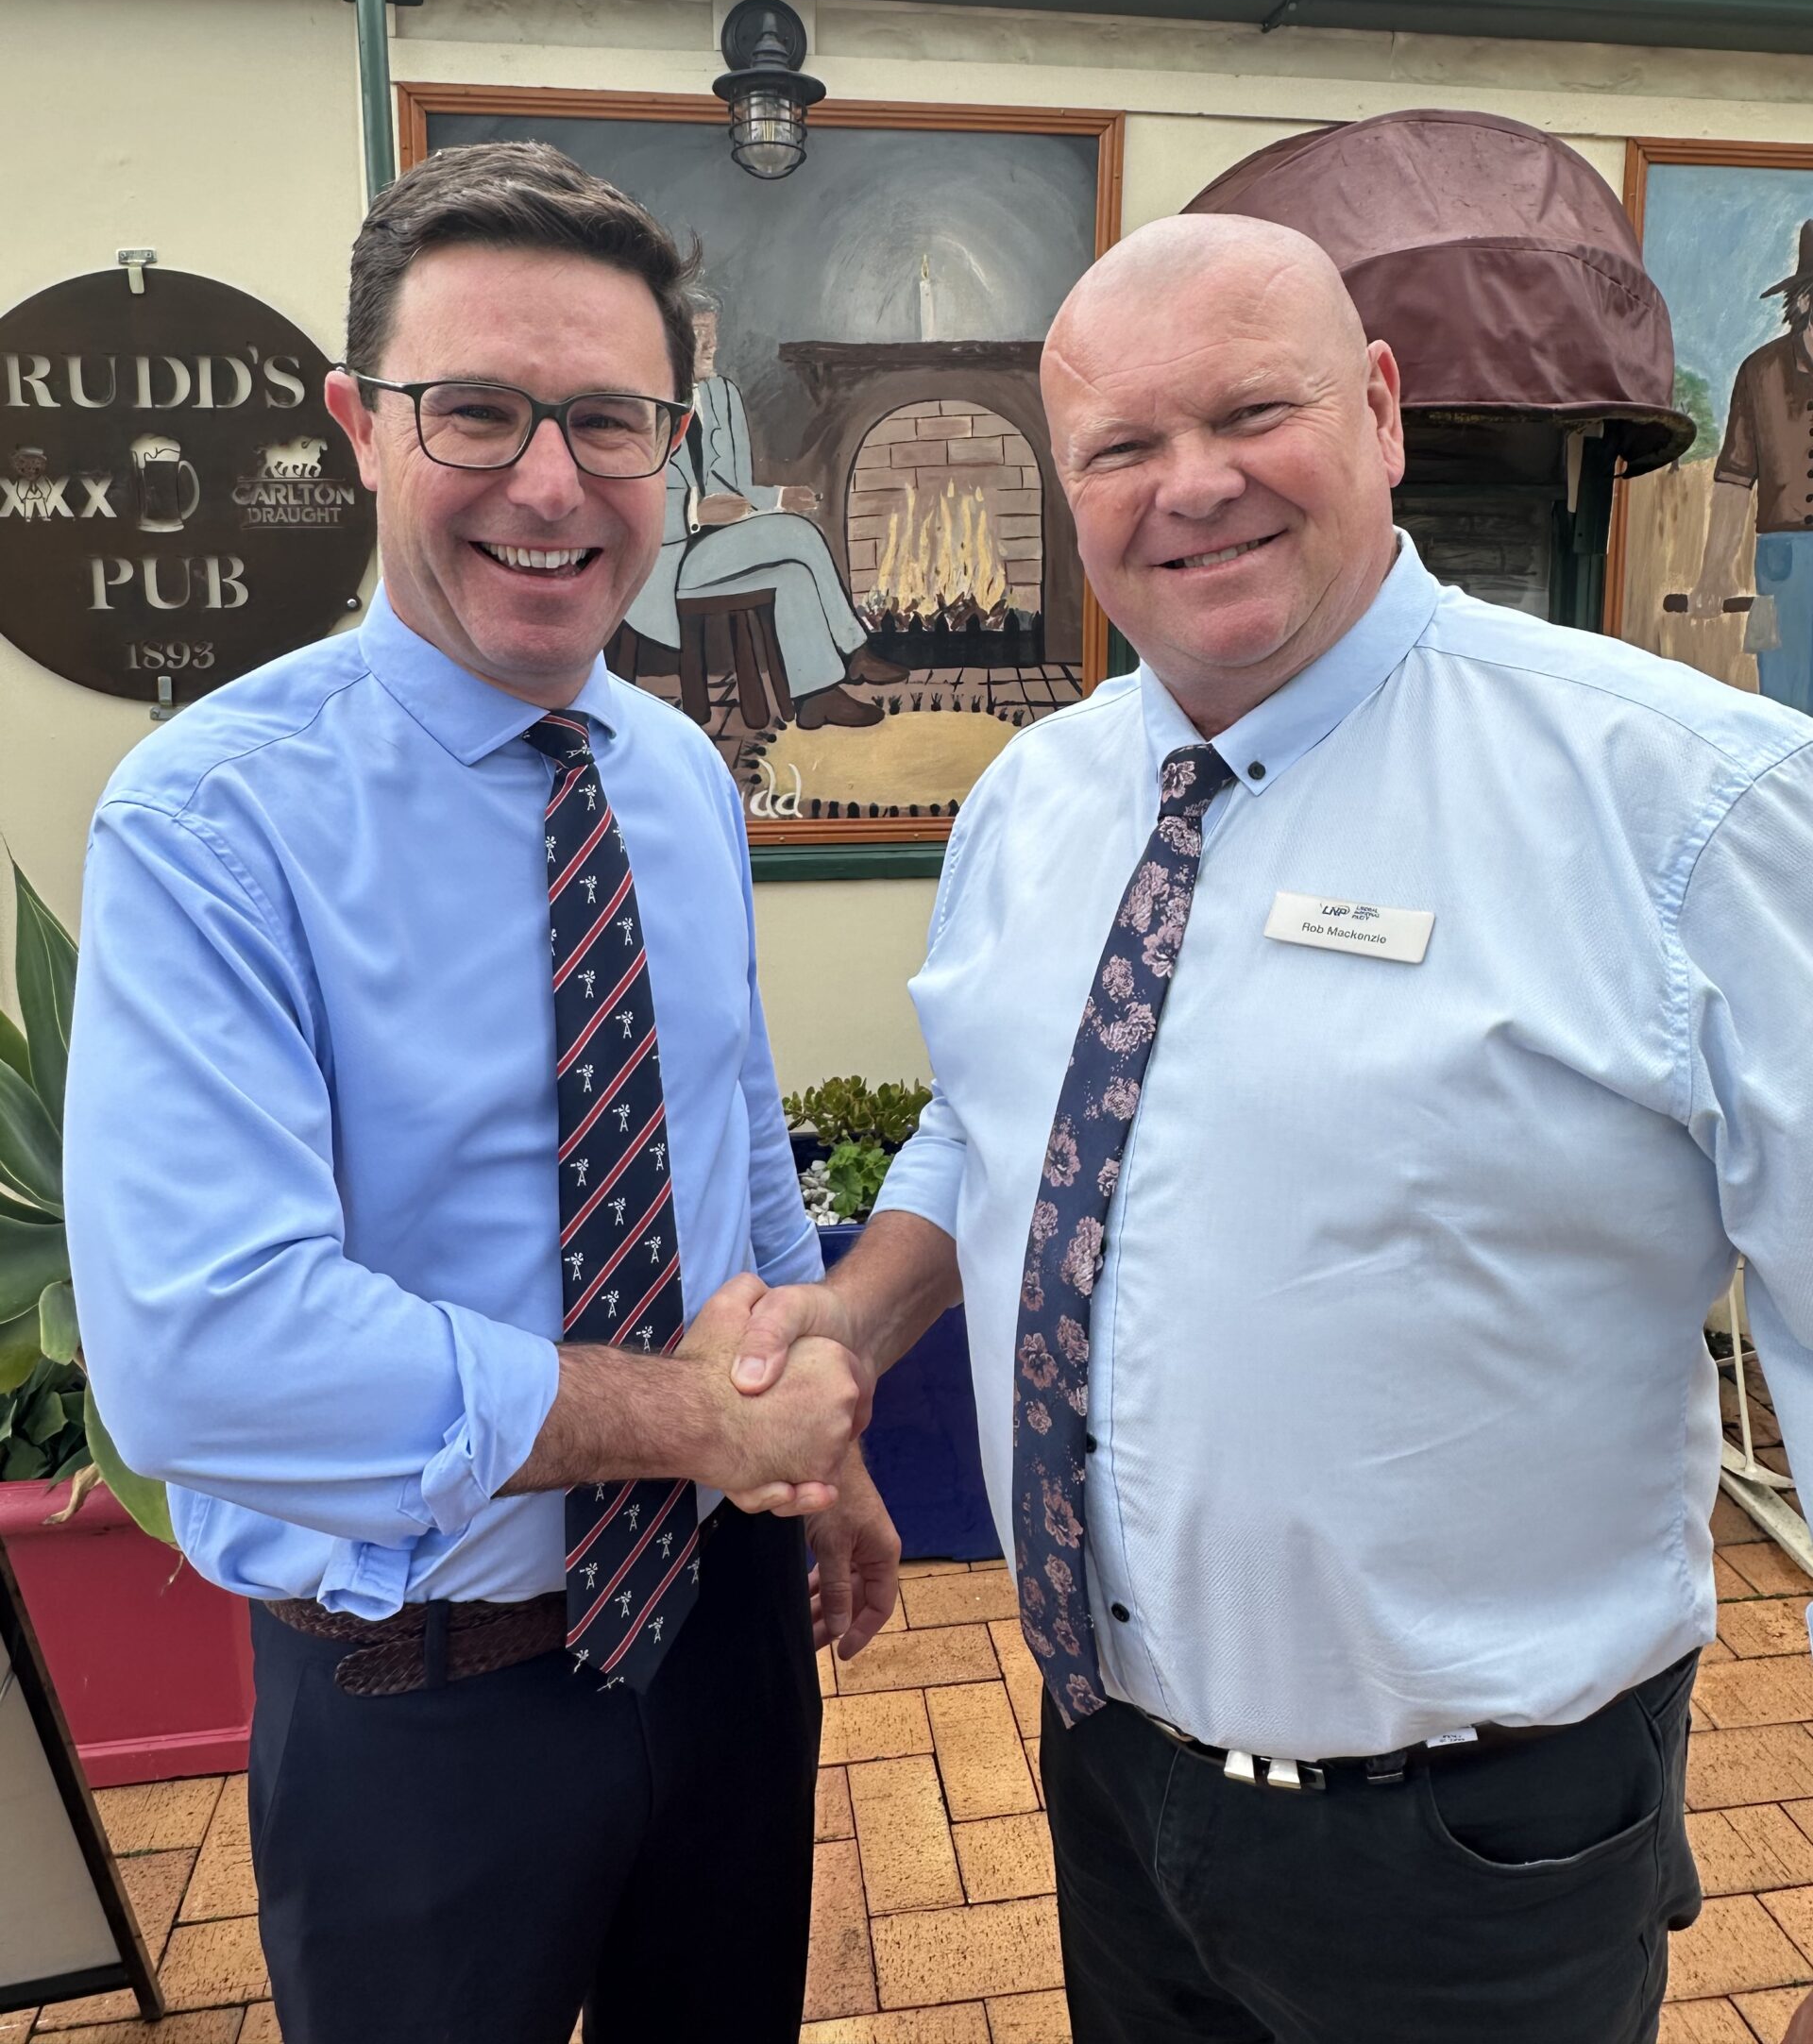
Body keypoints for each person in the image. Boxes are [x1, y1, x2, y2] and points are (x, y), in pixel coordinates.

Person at [729, 213, 1813, 2043]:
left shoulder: (1688, 803)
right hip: (1110, 1769)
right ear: (1070, 490)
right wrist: (852, 1318)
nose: (1195, 485)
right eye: (1124, 446)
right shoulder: (1043, 794)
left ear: (1380, 408)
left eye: (1254, 409)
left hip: (1478, 1841)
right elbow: (994, 1133)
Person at [61, 142, 899, 2044]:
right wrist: (690, 1416)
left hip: (720, 1638)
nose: (549, 479)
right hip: (416, 1705)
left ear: (673, 457)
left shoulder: (678, 773)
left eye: (610, 419)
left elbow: (726, 1124)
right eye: (479, 410)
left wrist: (807, 1431)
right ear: (361, 426)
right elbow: (205, 1348)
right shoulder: (212, 823)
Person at [623, 296, 906, 728]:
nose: (711, 346)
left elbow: (737, 489)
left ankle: (817, 697)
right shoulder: (640, 405)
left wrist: (777, 498)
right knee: (797, 536)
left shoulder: (723, 395)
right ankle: (855, 650)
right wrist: (696, 513)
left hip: (718, 551)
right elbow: (628, 503)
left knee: (791, 575)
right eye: (699, 336)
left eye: (713, 335)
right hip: (665, 562)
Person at [1686, 218, 1813, 715]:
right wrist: (1713, 574)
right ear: (1804, 300)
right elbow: (1735, 481)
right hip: (1780, 566)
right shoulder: (1760, 371)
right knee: (1783, 702)